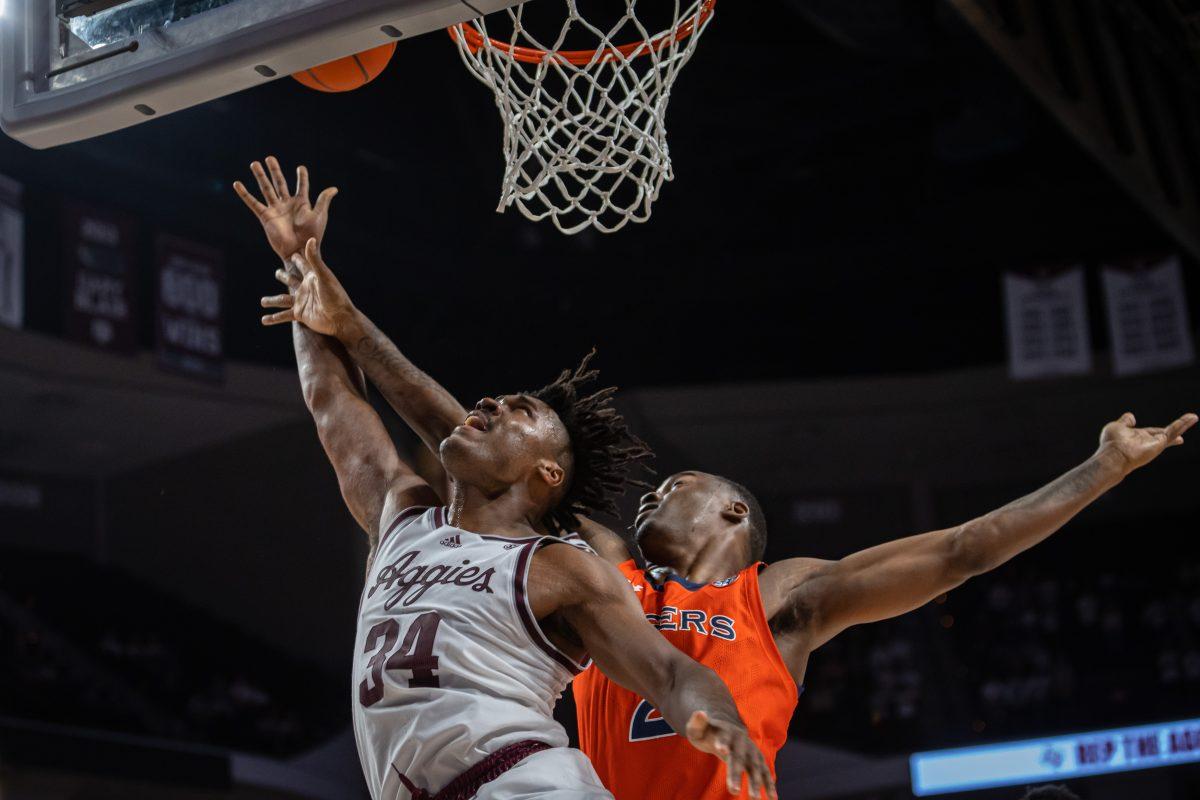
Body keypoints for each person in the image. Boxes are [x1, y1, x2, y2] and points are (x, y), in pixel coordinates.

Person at [239, 159, 1195, 800]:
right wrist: (339, 320)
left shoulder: (780, 600)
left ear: (734, 509)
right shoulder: (587, 560)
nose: (652, 493)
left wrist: (1100, 470)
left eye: (677, 482)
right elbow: (465, 451)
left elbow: (961, 552)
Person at [234, 158, 776, 800]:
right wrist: (302, 263)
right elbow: (332, 404)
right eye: (491, 403)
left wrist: (721, 717)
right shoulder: (402, 516)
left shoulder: (563, 568)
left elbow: (666, 670)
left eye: (519, 411)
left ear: (548, 471)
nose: (488, 404)